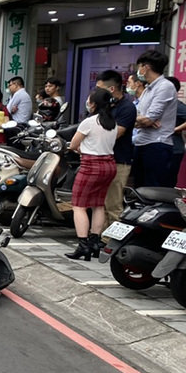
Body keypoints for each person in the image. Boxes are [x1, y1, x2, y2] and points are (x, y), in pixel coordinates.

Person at [65, 88, 118, 260]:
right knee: (98, 204)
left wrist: (82, 150)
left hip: (90, 166)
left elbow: (73, 145)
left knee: (79, 205)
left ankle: (83, 245)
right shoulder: (112, 123)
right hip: (109, 165)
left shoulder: (89, 122)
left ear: (94, 104)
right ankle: (95, 241)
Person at [95, 70, 137, 229]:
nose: (96, 92)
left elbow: (117, 133)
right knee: (101, 204)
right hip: (102, 159)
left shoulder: (127, 107)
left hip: (119, 160)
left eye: (99, 88)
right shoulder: (106, 106)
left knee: (113, 204)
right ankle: (100, 237)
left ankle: (112, 242)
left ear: (111, 89)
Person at [132, 49, 177, 187]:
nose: (138, 70)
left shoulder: (165, 87)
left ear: (146, 68)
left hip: (157, 145)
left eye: (139, 67)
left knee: (153, 188)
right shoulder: (147, 89)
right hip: (141, 143)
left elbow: (147, 119)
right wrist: (143, 121)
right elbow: (137, 116)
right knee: (139, 187)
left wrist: (145, 121)